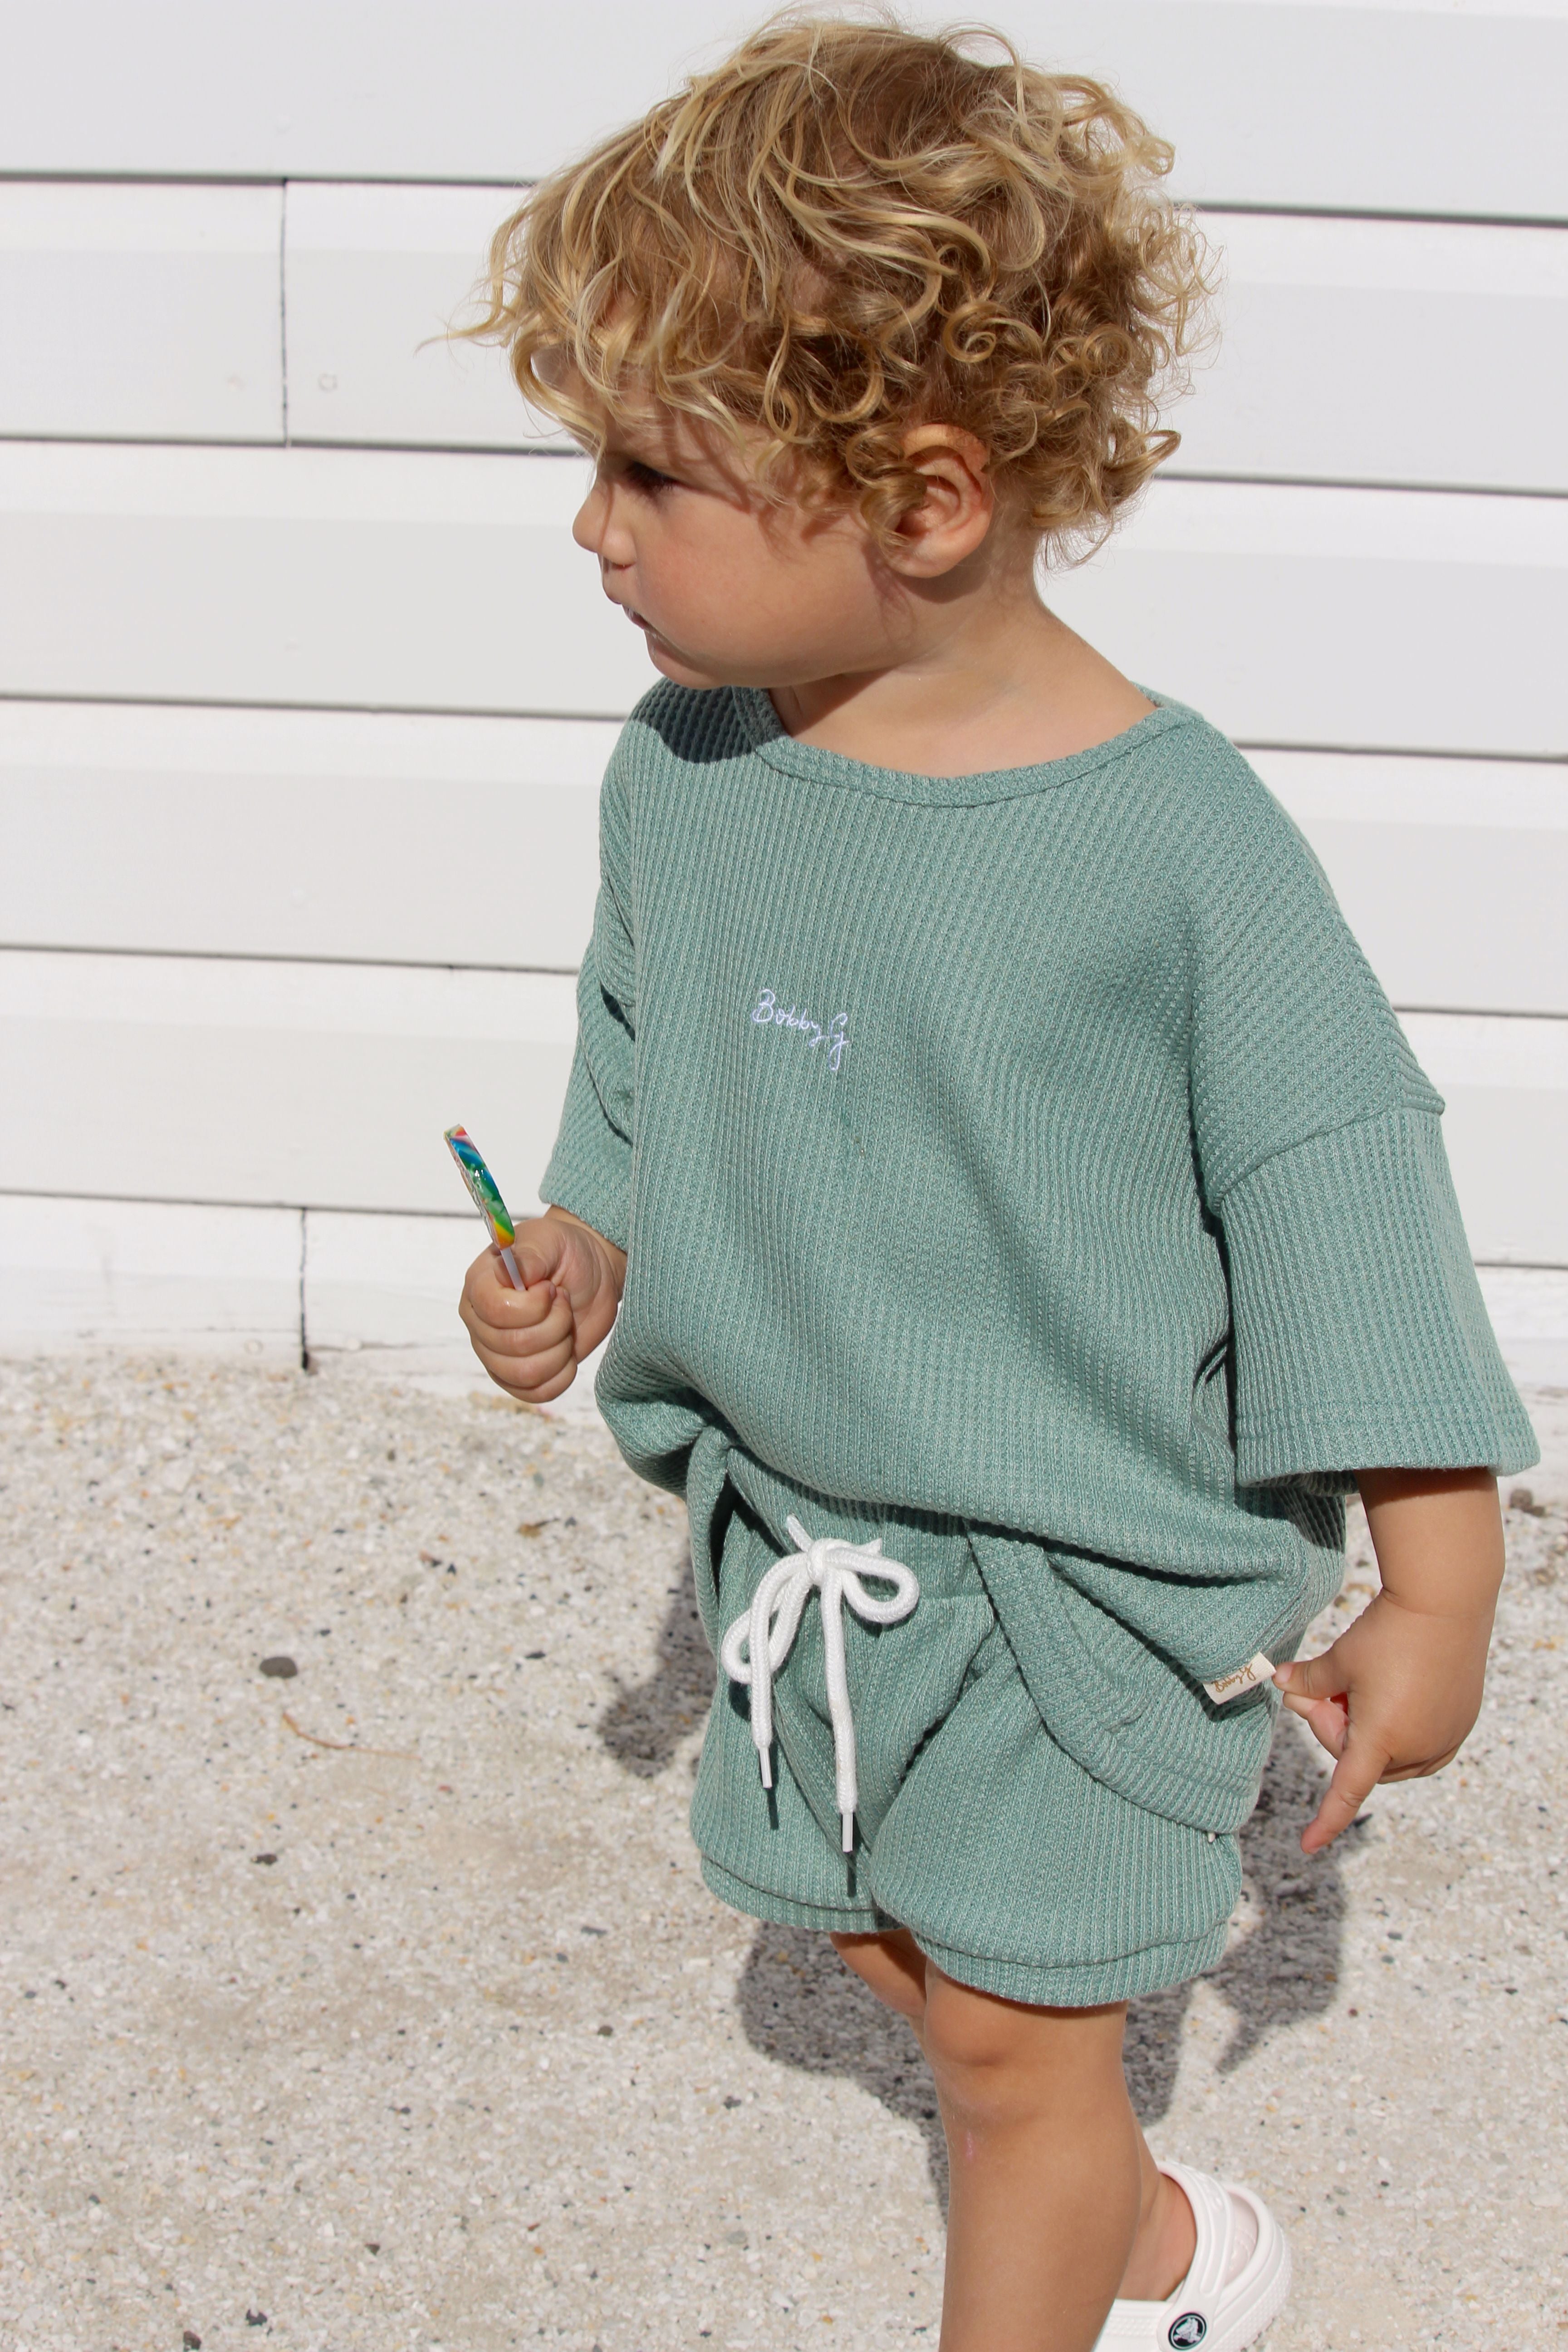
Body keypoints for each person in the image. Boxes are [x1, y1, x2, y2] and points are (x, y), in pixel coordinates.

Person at [456, 17, 1537, 2348]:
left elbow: (1343, 1195)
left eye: (651, 470)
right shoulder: (690, 775)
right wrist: (574, 1251)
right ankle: (1161, 2246)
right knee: (881, 1950)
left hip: (1076, 1585)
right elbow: (641, 1058)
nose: (588, 528)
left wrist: (1437, 1591)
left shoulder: (1172, 850)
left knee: (1017, 2054)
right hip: (809, 1544)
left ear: (926, 501)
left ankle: (1080, 2263)